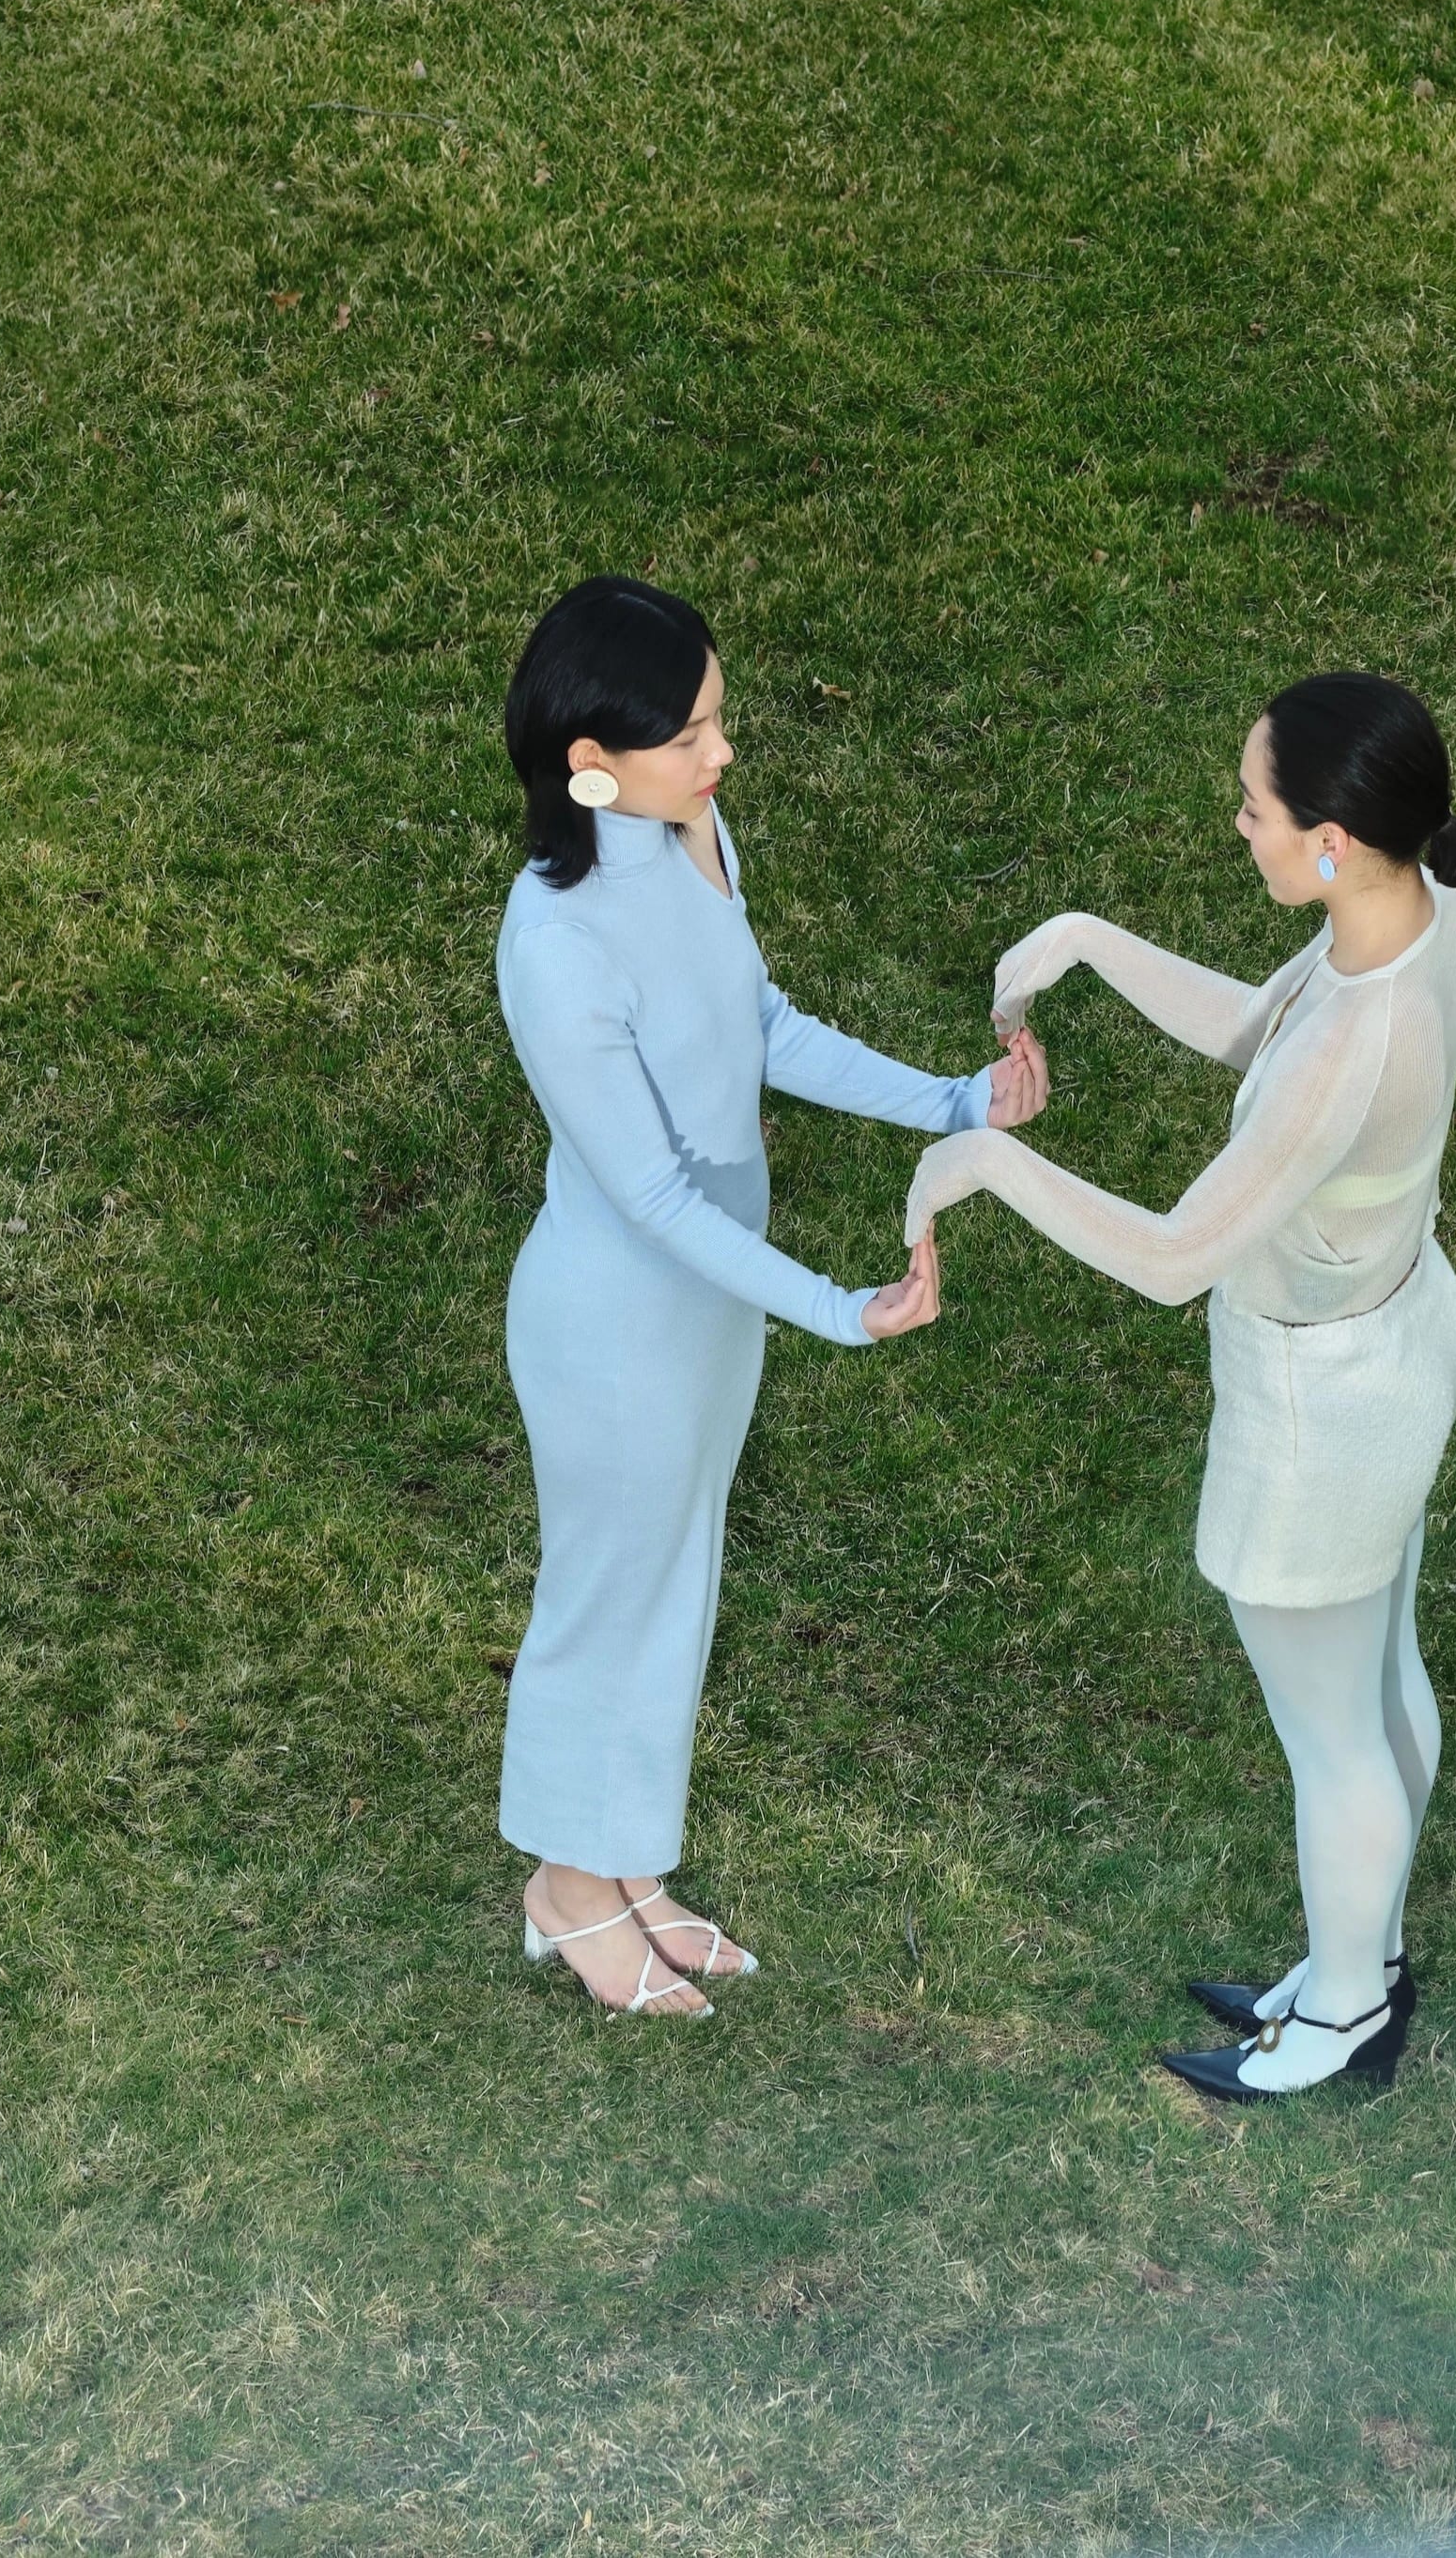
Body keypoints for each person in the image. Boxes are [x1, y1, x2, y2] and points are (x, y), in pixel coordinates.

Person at [906, 673, 1456, 2101]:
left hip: (1321, 1416)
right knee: (1380, 1676)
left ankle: (1347, 2012)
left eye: (1252, 808)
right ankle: (1368, 1956)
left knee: (1332, 1731)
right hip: (1396, 1346)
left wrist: (982, 1162)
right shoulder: (1415, 924)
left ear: (1333, 839)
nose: (1239, 828)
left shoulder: (1356, 1043)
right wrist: (1090, 944)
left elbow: (1175, 1257)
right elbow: (1265, 1029)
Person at [496, 578, 1049, 2017]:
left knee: (677, 1581)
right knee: (608, 1591)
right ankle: (564, 1891)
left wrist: (954, 1102)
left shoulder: (691, 832)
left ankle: (624, 1870)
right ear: (590, 766)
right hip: (617, 1319)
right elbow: (659, 1200)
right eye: (694, 734)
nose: (723, 753)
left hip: (707, 1302)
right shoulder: (553, 947)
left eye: (720, 719)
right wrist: (839, 1306)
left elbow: (761, 1028)